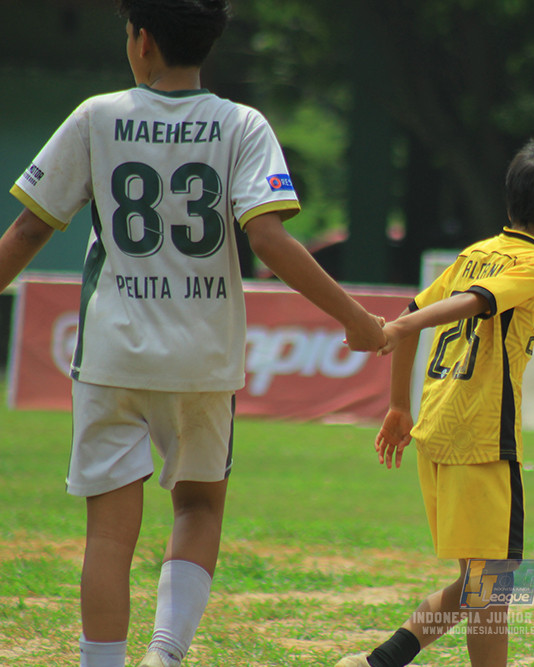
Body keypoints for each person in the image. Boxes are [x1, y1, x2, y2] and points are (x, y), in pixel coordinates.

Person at [0, 2, 386, 666]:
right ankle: (164, 655)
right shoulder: (243, 124)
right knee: (199, 507)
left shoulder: (96, 116)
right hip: (203, 356)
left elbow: (30, 228)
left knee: (109, 535)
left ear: (142, 41)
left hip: (114, 354)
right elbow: (269, 238)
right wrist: (355, 318)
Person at [334, 139, 534, 667]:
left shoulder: (475, 253)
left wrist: (398, 405)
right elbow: (471, 304)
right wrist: (402, 330)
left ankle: (377, 663)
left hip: (437, 432)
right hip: (481, 438)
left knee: (480, 581)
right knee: (494, 583)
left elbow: (414, 313)